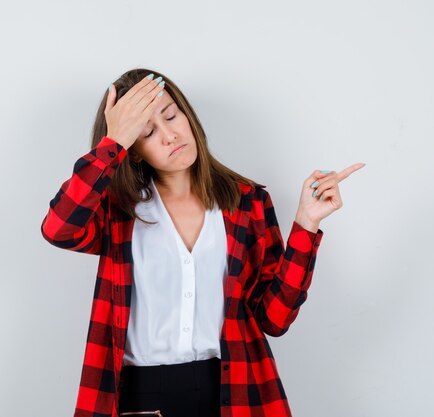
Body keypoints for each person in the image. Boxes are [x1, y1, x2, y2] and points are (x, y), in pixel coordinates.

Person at [40, 68, 364, 417]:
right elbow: (58, 228)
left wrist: (306, 223)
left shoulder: (248, 203)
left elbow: (274, 320)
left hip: (234, 392)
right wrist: (113, 141)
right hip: (140, 398)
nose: (169, 136)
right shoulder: (117, 212)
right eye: (146, 132)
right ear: (133, 151)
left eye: (170, 115)